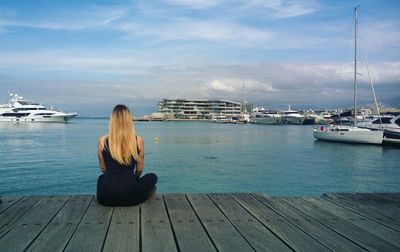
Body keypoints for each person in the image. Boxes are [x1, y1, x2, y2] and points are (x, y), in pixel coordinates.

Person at [97, 104, 157, 206]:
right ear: (129, 121)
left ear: (112, 121)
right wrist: (134, 179)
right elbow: (139, 169)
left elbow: (103, 169)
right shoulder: (138, 140)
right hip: (130, 197)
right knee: (152, 177)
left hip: (106, 199)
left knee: (101, 178)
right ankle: (141, 194)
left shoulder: (102, 141)